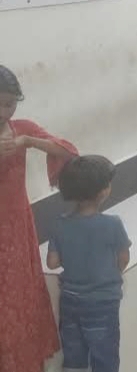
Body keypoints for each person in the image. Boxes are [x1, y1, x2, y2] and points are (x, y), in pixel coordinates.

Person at [0, 65, 77, 372]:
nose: (4, 112)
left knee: (20, 296)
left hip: (17, 228)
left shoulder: (22, 129)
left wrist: (28, 142)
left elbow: (67, 151)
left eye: (10, 103)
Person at [47, 155, 130, 372]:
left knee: (74, 356)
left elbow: (53, 262)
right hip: (102, 302)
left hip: (70, 302)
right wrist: (110, 273)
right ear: (103, 191)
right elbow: (123, 258)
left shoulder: (60, 224)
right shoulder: (112, 224)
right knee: (104, 354)